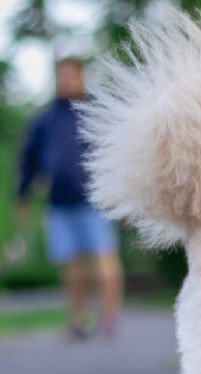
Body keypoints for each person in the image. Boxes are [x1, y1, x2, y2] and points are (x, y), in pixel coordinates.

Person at [15, 56, 124, 340]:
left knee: (105, 263)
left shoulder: (95, 114)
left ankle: (109, 319)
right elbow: (28, 160)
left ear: (81, 78)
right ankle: (78, 320)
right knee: (72, 268)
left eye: (71, 75)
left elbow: (115, 156)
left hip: (95, 202)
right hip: (59, 204)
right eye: (61, 75)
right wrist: (22, 195)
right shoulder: (44, 120)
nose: (66, 80)